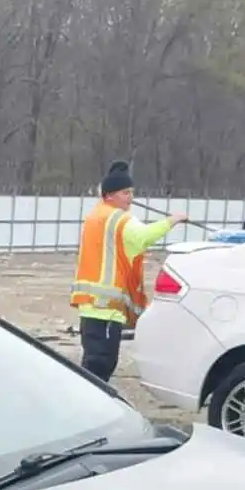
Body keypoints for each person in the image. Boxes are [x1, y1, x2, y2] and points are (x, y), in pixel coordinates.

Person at [71, 160, 184, 383]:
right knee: (101, 366)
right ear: (110, 195)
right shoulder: (119, 218)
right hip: (106, 309)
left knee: (92, 363)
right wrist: (172, 221)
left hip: (91, 306)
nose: (130, 198)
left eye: (131, 192)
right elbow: (143, 237)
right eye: (125, 192)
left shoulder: (96, 216)